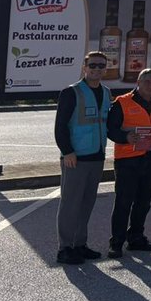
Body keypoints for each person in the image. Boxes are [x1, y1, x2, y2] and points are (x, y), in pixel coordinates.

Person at [53, 52, 113, 264]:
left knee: (87, 203)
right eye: (93, 65)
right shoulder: (71, 92)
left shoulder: (106, 92)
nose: (97, 69)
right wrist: (67, 151)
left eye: (101, 66)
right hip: (76, 157)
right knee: (71, 204)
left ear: (106, 69)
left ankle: (80, 244)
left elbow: (109, 125)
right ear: (84, 67)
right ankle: (65, 248)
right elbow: (60, 126)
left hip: (97, 156)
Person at [106, 68, 151, 257]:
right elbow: (110, 130)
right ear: (138, 82)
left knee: (144, 202)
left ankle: (136, 238)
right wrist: (126, 137)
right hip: (128, 160)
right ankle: (116, 243)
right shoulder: (122, 102)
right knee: (124, 202)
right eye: (147, 81)